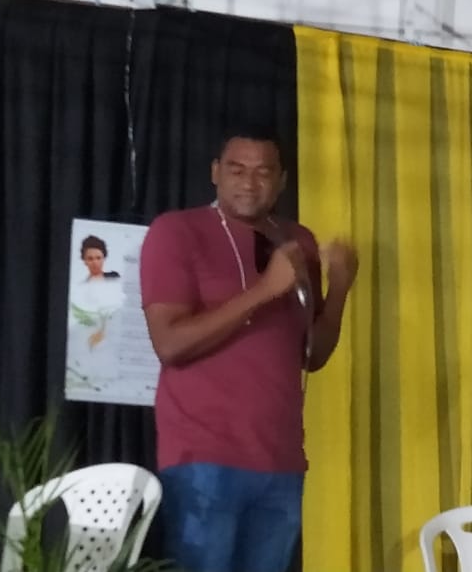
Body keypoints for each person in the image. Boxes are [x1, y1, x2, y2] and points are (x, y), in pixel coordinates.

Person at [139, 126, 358, 572]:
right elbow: (170, 345)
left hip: (281, 460)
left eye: (263, 172)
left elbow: (312, 356)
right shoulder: (177, 231)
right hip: (203, 459)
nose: (249, 183)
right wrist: (265, 290)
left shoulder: (297, 242)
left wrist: (339, 289)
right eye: (237, 169)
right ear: (215, 173)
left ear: (281, 180)